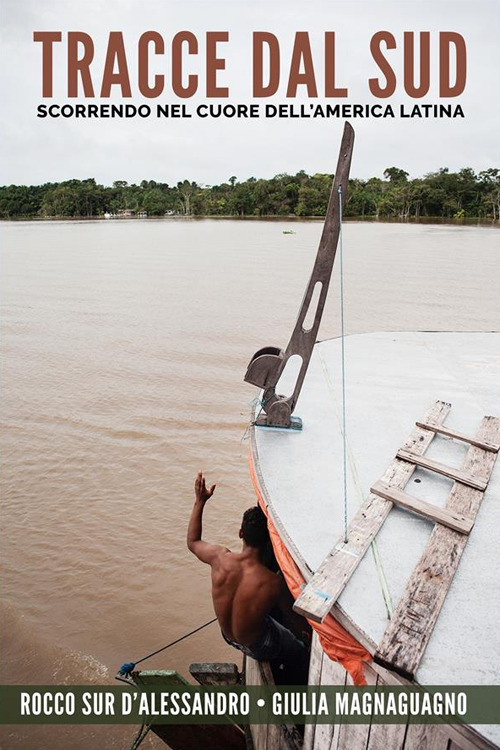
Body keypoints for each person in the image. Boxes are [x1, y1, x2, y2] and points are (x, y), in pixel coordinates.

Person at [187, 471, 307, 674]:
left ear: (240, 533)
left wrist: (200, 501)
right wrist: (309, 633)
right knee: (299, 648)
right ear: (270, 541)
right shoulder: (272, 583)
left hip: (227, 636)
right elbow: (295, 617)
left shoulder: (220, 559)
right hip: (260, 646)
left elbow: (193, 542)